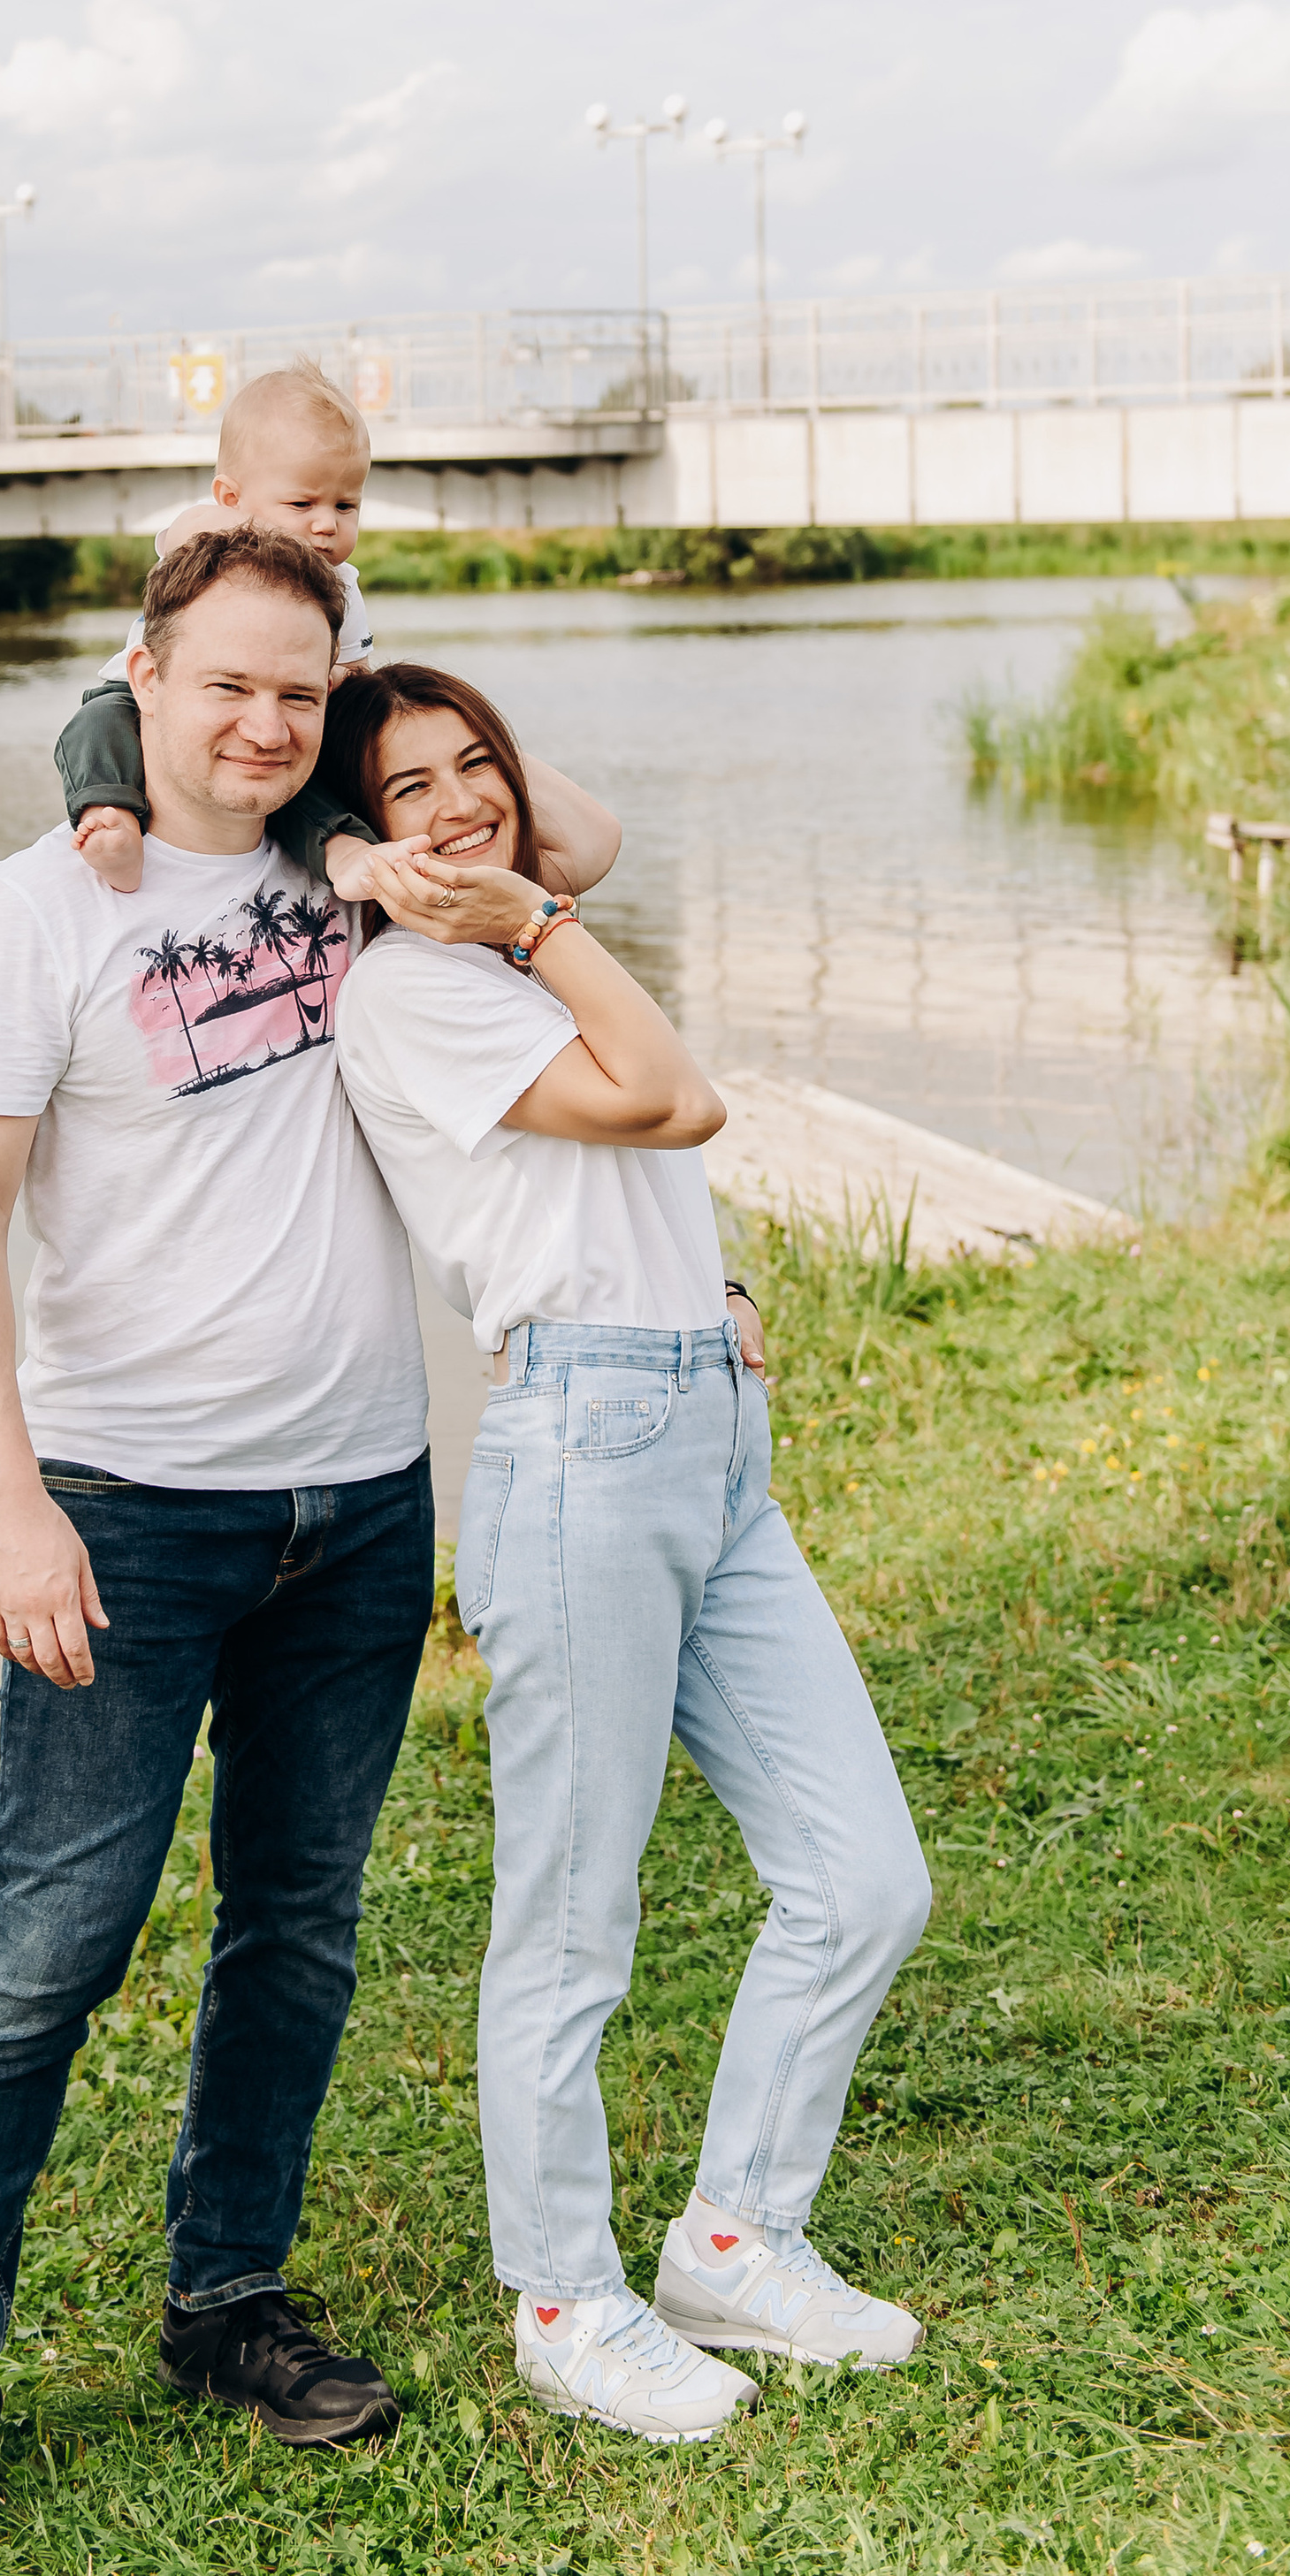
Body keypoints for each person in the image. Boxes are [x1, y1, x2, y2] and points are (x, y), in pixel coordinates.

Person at [0, 527, 431, 2576]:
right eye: (225, 686)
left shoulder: (352, 861)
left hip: (359, 1497)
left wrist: (383, 792)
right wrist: (5, 1501)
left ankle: (226, 2297)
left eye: (301, 688)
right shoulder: (29, 913)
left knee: (298, 1918)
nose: (261, 724)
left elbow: (576, 845)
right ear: (141, 679)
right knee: (38, 1955)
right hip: (126, 1511)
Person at [321, 660, 933, 2450]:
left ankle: (734, 2237)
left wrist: (502, 858)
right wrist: (511, 915)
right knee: (569, 1923)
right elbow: (668, 1098)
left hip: (708, 1442)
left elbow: (578, 835)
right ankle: (563, 2300)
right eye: (406, 791)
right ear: (355, 841)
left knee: (861, 1876)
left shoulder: (509, 921)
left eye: (474, 770)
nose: (462, 808)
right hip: (581, 1456)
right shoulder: (410, 995)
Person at [54, 359, 378, 896]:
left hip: (278, 733)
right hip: (125, 695)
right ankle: (110, 814)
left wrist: (337, 686)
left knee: (305, 763)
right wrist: (265, 546)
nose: (326, 524)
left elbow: (358, 668)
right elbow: (189, 532)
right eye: (301, 504)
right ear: (231, 499)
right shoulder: (206, 532)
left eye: (346, 506)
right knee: (94, 728)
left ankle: (337, 843)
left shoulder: (341, 584)